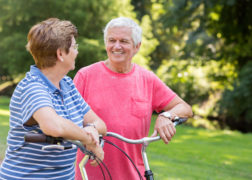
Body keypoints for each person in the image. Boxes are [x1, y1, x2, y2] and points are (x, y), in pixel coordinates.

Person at [74, 17, 193, 179]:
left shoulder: (147, 79)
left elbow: (185, 108)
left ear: (137, 47)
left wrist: (167, 115)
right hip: (88, 173)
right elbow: (66, 120)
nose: (116, 46)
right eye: (111, 40)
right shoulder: (85, 76)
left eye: (123, 41)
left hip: (134, 174)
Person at [0, 18, 107, 180]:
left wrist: (92, 129)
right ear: (60, 54)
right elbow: (53, 126)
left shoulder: (67, 85)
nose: (77, 51)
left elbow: (101, 124)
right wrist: (87, 138)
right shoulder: (32, 87)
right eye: (74, 47)